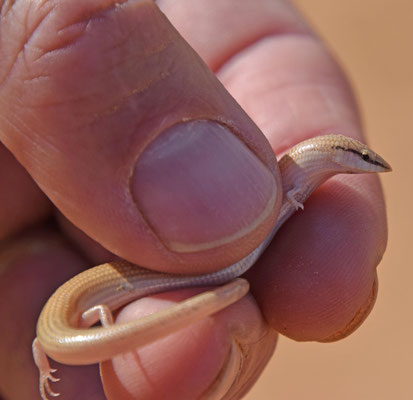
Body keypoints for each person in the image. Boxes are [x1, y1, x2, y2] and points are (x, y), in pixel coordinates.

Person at [0, 1, 388, 398]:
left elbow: (41, 345)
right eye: (362, 158)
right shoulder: (290, 180)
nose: (370, 164)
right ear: (337, 152)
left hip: (77, 313)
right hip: (87, 307)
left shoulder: (301, 177)